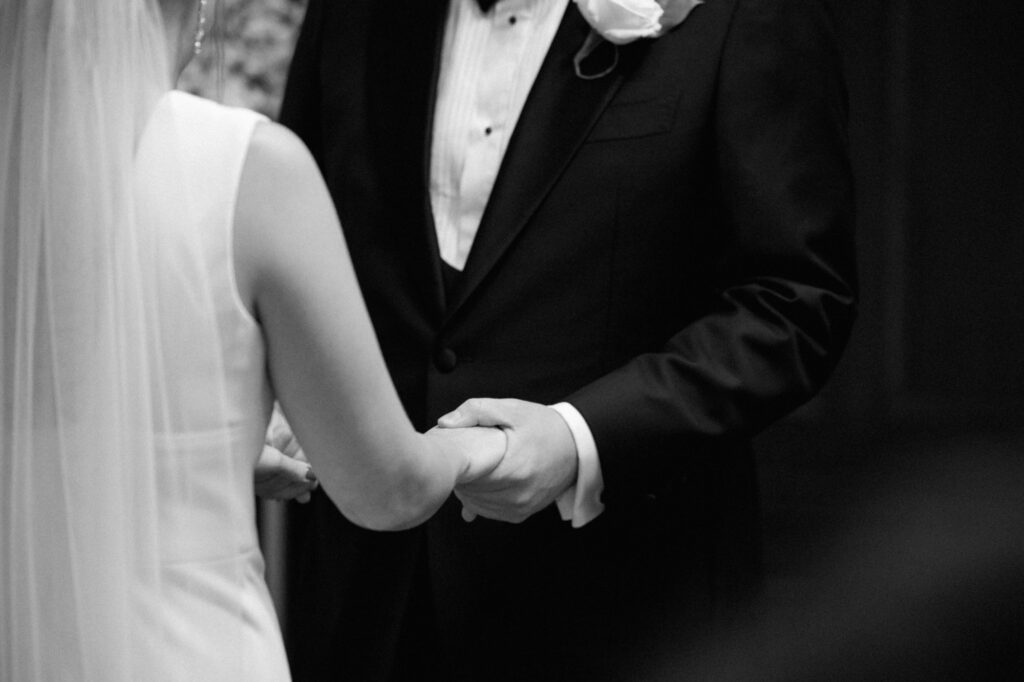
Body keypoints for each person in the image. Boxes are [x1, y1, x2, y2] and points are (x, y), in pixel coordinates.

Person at [276, 0, 857, 679]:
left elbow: (793, 305)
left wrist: (578, 437)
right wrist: (270, 399)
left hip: (624, 603)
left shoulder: (743, 16)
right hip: (366, 601)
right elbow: (296, 245)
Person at [0, 0, 503, 679]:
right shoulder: (249, 167)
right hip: (186, 648)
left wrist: (208, 451)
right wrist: (482, 444)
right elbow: (388, 490)